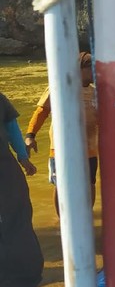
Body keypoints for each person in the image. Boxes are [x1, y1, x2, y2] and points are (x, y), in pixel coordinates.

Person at [25, 52, 98, 216]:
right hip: (62, 149)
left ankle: (87, 218)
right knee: (62, 185)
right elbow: (41, 112)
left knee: (89, 183)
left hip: (90, 149)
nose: (97, 71)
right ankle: (62, 220)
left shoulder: (95, 93)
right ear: (81, 68)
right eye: (92, 67)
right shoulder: (59, 87)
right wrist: (30, 135)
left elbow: (102, 121)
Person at [0, 92, 43, 287]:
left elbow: (11, 125)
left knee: (13, 237)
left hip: (5, 178)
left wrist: (23, 157)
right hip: (7, 178)